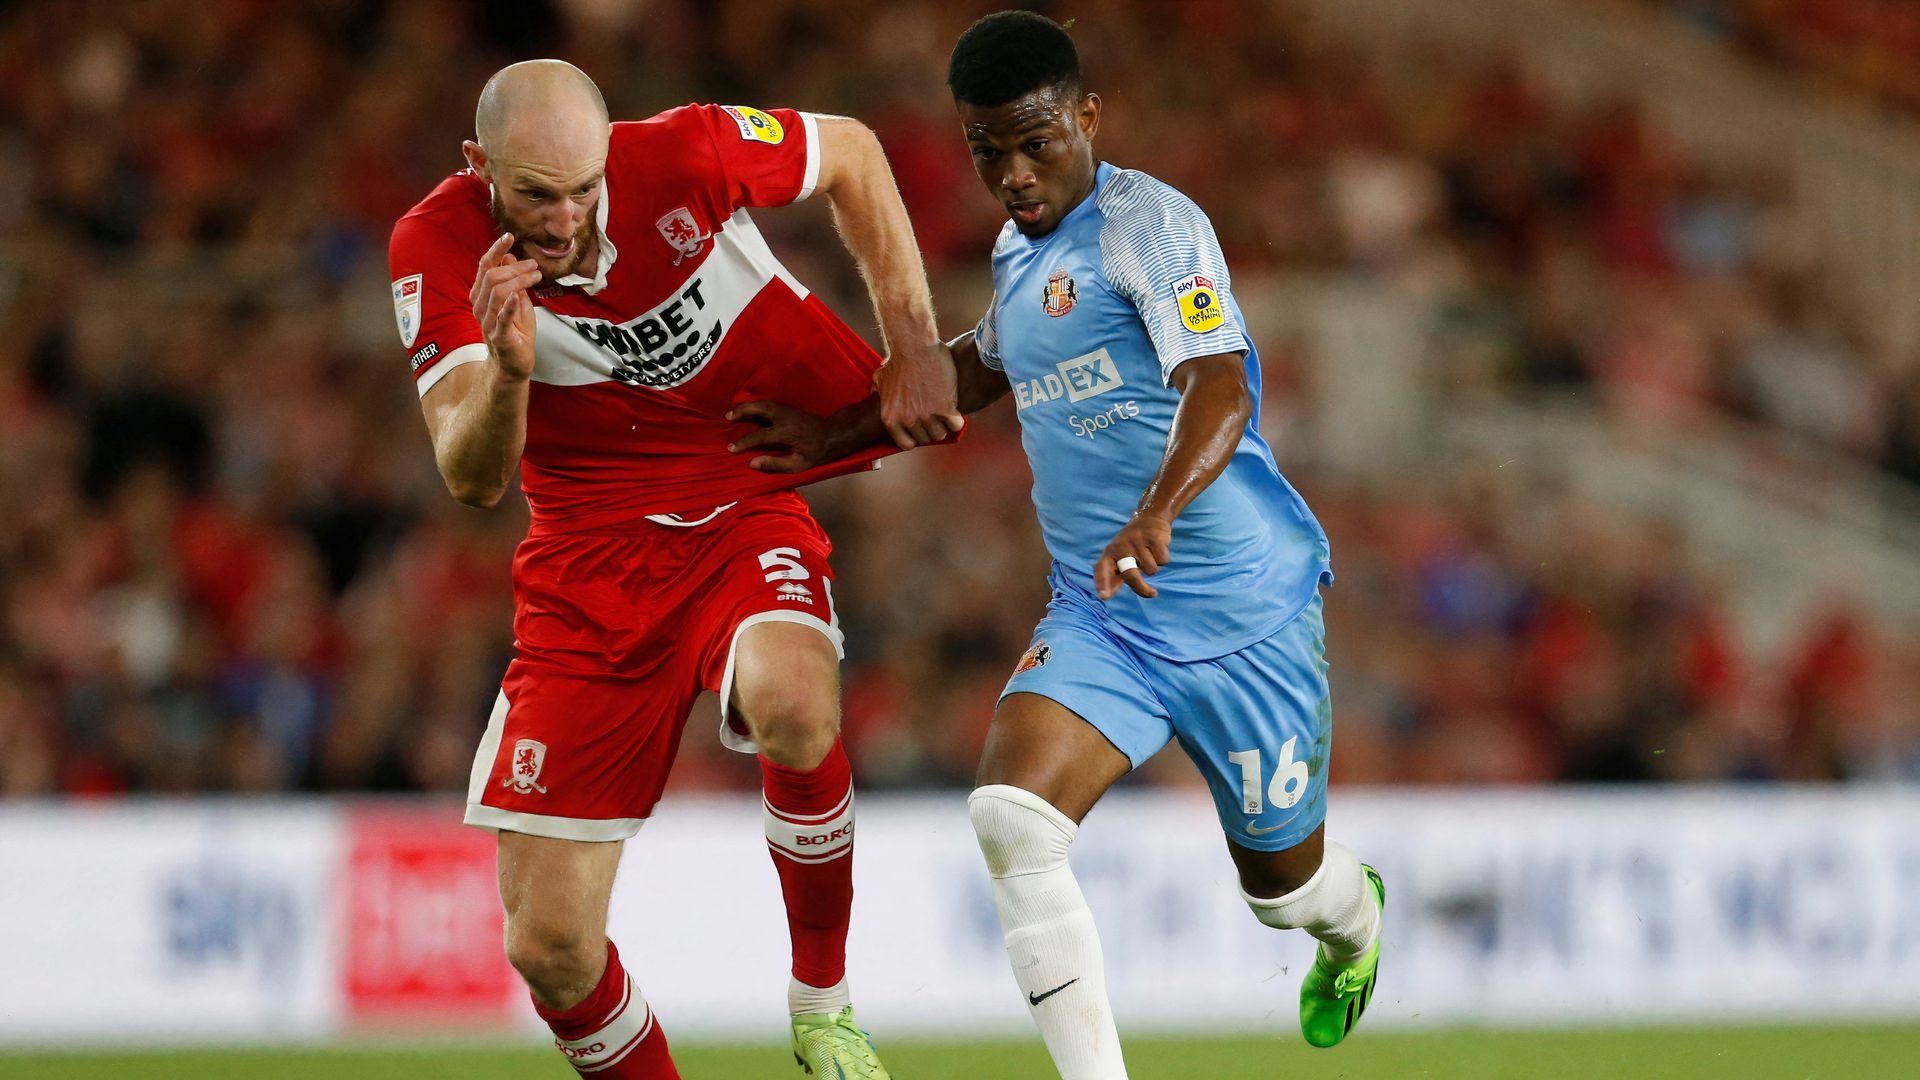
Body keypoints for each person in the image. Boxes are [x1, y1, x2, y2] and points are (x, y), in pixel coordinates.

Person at [730, 12, 1385, 1075]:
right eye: (990, 151)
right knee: (1010, 819)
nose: (1016, 174)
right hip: (1107, 612)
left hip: (1242, 610)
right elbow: (985, 365)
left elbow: (1218, 381)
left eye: (1039, 142)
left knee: (1284, 895)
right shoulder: (1017, 251)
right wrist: (830, 431)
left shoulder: (1150, 228)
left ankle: (1353, 925)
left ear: (1088, 116)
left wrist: (1158, 510)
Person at [388, 59, 961, 1079]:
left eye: (584, 186)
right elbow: (471, 477)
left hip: (738, 487)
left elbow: (856, 154)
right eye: (534, 193)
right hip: (584, 555)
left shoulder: (688, 151)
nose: (564, 219)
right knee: (548, 950)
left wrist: (912, 342)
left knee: (794, 696)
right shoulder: (432, 248)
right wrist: (511, 371)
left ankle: (823, 1003)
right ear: (479, 167)